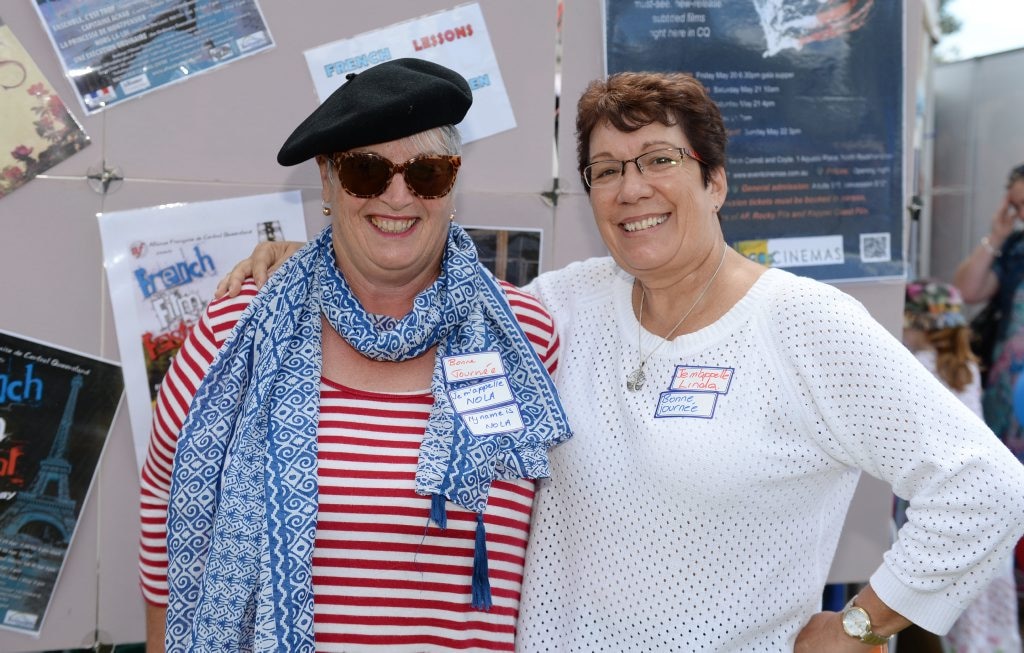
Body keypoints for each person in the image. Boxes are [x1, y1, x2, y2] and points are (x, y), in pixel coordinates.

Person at [220, 71, 1024, 652]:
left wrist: (862, 623)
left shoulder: (803, 324)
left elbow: (987, 484)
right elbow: (423, 288)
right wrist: (311, 264)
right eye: (607, 171)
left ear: (714, 181)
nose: (631, 187)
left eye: (660, 160)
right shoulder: (564, 305)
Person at [137, 58, 572, 653]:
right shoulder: (236, 333)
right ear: (327, 180)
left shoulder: (526, 335)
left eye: (427, 172)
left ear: (453, 183)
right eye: (367, 171)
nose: (397, 196)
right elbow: (165, 497)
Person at [902, 279, 1022, 653]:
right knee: (988, 592)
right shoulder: (966, 367)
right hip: (986, 493)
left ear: (917, 324)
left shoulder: (918, 367)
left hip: (947, 500)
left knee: (954, 596)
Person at [953, 162, 1024, 463]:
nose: (1022, 214)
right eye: (1018, 205)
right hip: (1007, 390)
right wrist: (996, 236)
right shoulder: (1016, 248)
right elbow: (967, 291)